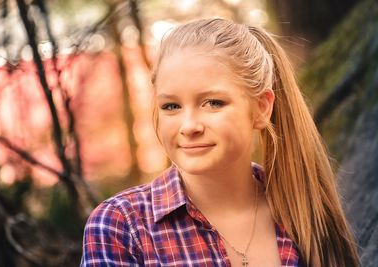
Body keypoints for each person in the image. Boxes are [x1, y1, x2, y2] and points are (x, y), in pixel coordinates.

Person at [80, 18, 359, 267]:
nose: (189, 126)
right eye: (171, 106)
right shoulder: (121, 226)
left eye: (213, 103)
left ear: (261, 108)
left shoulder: (304, 213)